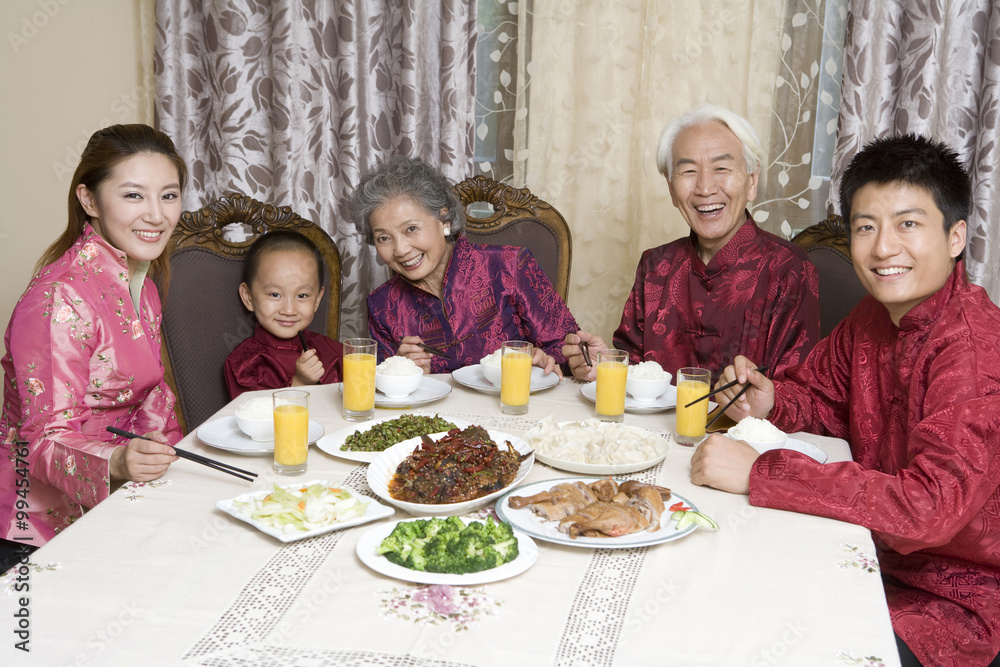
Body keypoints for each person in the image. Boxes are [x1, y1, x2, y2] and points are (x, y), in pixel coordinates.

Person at [691, 135, 1000, 667]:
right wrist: (770, 403)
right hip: (861, 553)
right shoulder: (873, 318)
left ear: (955, 237)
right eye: (866, 227)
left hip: (954, 600)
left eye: (908, 224)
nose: (883, 248)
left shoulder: (973, 348)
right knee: (713, 602)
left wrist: (764, 471)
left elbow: (930, 509)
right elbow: (822, 399)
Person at [0, 124, 185, 566]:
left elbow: (151, 393)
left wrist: (174, 460)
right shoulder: (57, 297)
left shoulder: (140, 282)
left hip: (120, 502)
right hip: (36, 531)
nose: (157, 215)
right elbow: (44, 437)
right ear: (89, 200)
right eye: (134, 195)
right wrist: (119, 463)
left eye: (170, 195)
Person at [563, 104, 819, 382]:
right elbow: (636, 371)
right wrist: (606, 365)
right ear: (671, 189)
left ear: (752, 182)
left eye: (721, 168)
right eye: (688, 172)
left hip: (743, 426)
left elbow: (799, 389)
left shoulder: (789, 269)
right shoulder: (655, 266)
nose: (705, 188)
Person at [350, 156, 578, 375]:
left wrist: (545, 360)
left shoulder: (510, 266)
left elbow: (570, 350)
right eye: (383, 238)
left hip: (517, 408)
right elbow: (376, 391)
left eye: (411, 229)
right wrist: (401, 371)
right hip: (436, 415)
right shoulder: (383, 306)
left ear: (444, 220)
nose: (400, 249)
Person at [224, 230, 344, 398]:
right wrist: (300, 383)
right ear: (248, 297)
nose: (289, 310)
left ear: (317, 300)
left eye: (302, 296)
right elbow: (257, 418)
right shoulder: (244, 365)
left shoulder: (336, 352)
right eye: (275, 295)